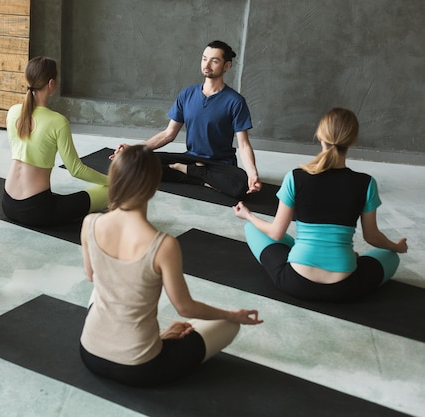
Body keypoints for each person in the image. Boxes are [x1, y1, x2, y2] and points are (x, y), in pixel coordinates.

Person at [79, 144, 263, 387]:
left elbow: (92, 275)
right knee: (228, 326)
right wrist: (233, 315)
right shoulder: (163, 245)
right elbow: (185, 308)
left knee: (104, 284)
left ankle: (154, 338)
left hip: (89, 352)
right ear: (153, 186)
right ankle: (158, 340)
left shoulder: (90, 222)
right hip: (139, 367)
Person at [233, 108, 408, 302]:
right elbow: (372, 237)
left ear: (319, 136)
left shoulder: (295, 177)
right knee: (391, 257)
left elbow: (276, 233)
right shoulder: (366, 183)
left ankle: (301, 251)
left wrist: (248, 215)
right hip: (344, 287)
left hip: (293, 281)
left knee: (252, 228)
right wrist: (396, 247)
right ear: (353, 139)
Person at [111, 40, 261, 200]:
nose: (207, 64)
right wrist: (134, 149)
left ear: (227, 66)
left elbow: (243, 144)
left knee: (241, 186)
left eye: (214, 61)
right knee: (136, 163)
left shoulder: (235, 101)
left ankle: (188, 172)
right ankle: (199, 176)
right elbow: (168, 134)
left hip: (220, 164)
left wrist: (252, 173)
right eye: (204, 59)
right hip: (191, 158)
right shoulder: (187, 94)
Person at [2, 56, 108, 226]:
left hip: (8, 204)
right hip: (37, 210)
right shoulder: (58, 121)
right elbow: (76, 169)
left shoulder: (13, 112)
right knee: (112, 191)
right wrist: (112, 181)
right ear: (51, 84)